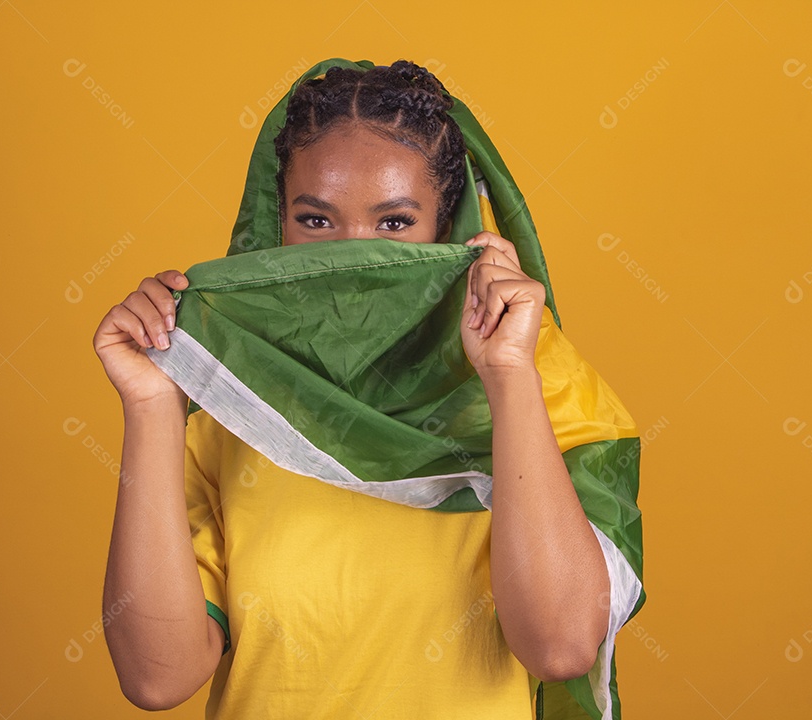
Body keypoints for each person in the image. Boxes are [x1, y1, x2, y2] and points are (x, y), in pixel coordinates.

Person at [93, 58, 644, 719]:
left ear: (449, 224)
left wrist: (507, 377)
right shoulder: (239, 405)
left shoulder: (550, 391)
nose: (352, 262)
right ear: (277, 226)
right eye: (317, 222)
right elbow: (158, 679)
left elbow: (560, 647)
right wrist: (155, 406)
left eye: (394, 224)